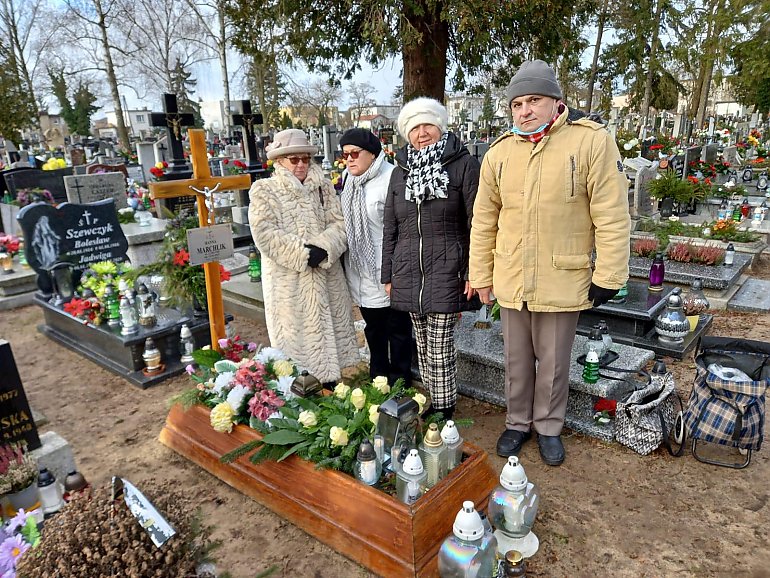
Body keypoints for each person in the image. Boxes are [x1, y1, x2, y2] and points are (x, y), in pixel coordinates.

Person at [469, 60, 630, 466]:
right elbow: (485, 219)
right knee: (516, 360)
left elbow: (611, 214)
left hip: (563, 277)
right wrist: (480, 275)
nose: (525, 110)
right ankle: (517, 421)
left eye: (535, 100)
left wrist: (609, 274)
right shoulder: (500, 152)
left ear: (556, 101)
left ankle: (548, 427)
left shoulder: (590, 142)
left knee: (555, 362)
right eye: (517, 103)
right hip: (512, 277)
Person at [381, 98, 480, 420]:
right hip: (408, 270)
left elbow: (476, 221)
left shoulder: (463, 165)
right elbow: (391, 227)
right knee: (421, 345)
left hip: (449, 268)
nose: (422, 133)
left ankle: (443, 406)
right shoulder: (400, 172)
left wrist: (472, 271)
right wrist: (388, 274)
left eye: (428, 125)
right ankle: (436, 396)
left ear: (440, 127)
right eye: (415, 128)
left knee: (438, 346)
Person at [248, 128, 358, 385]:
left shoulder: (323, 187)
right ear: (280, 162)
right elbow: (264, 233)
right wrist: (303, 253)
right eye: (293, 159)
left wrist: (325, 247)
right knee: (296, 352)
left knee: (331, 349)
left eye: (305, 159)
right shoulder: (265, 190)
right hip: (290, 283)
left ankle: (331, 394)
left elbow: (340, 224)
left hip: (327, 276)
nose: (300, 165)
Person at [339, 128, 413, 386]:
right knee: (373, 328)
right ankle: (378, 377)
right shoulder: (348, 179)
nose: (348, 159)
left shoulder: (393, 176)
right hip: (361, 269)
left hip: (390, 268)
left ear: (372, 154)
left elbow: (404, 227)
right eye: (344, 154)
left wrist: (396, 270)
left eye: (354, 153)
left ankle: (401, 379)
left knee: (399, 330)